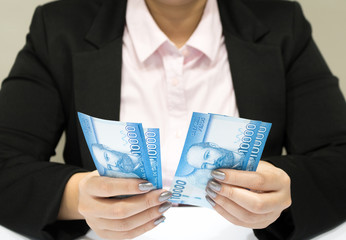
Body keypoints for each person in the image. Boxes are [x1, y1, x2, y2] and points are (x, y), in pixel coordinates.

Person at [0, 0, 345, 240]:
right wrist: (77, 197)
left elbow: (338, 157)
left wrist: (282, 193)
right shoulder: (59, 28)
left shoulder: (283, 25)